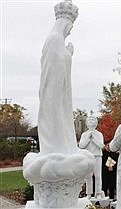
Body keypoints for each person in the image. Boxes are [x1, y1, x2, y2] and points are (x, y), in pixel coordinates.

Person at [38, 0, 79, 155]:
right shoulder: (55, 39)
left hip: (57, 93)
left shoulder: (57, 40)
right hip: (53, 94)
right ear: (65, 23)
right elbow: (54, 70)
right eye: (70, 27)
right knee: (56, 122)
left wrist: (68, 55)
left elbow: (59, 64)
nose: (70, 31)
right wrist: (67, 56)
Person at [78, 116, 105, 199]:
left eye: (93, 119)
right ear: (86, 123)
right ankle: (89, 193)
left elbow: (101, 145)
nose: (91, 121)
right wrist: (88, 139)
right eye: (89, 120)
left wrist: (93, 139)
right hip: (87, 156)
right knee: (88, 176)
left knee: (97, 175)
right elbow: (81, 146)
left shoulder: (99, 134)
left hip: (97, 156)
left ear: (96, 123)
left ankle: (98, 192)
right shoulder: (84, 134)